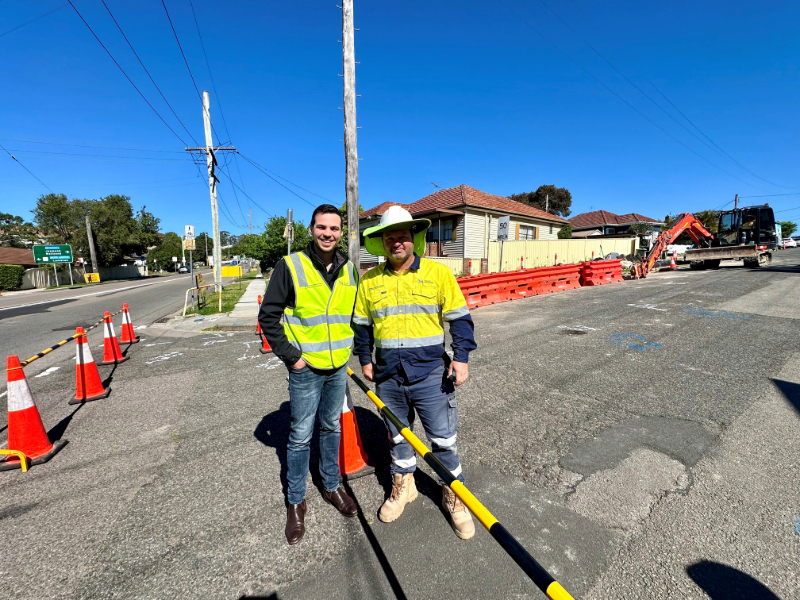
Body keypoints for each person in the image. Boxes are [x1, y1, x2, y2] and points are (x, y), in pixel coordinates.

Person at [352, 205, 478, 539]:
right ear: (382, 242)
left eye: (403, 237)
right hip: (388, 377)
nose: (397, 243)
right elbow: (362, 327)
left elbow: (460, 319)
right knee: (397, 437)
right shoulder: (369, 281)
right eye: (390, 238)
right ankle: (403, 486)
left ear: (413, 239)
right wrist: (365, 358)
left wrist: (461, 357)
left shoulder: (438, 275)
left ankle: (454, 495)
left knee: (443, 441)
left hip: (431, 375)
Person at [258, 204, 360, 545]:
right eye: (322, 227)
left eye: (334, 228)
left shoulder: (349, 268)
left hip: (338, 366)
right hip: (306, 368)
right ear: (311, 228)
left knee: (331, 426)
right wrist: (293, 358)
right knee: (301, 435)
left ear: (341, 231)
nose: (328, 233)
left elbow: (353, 315)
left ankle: (331, 486)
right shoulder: (291, 266)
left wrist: (354, 353)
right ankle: (296, 500)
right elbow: (268, 316)